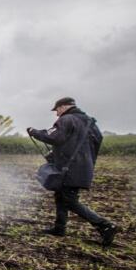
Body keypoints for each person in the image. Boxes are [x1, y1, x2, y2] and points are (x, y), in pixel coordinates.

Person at [28, 97, 118, 246]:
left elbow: (54, 136)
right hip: (82, 167)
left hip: (69, 169)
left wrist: (33, 132)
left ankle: (105, 225)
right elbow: (93, 144)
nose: (57, 114)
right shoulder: (90, 122)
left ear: (63, 107)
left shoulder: (67, 119)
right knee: (61, 196)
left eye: (57, 110)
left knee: (70, 201)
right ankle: (59, 228)